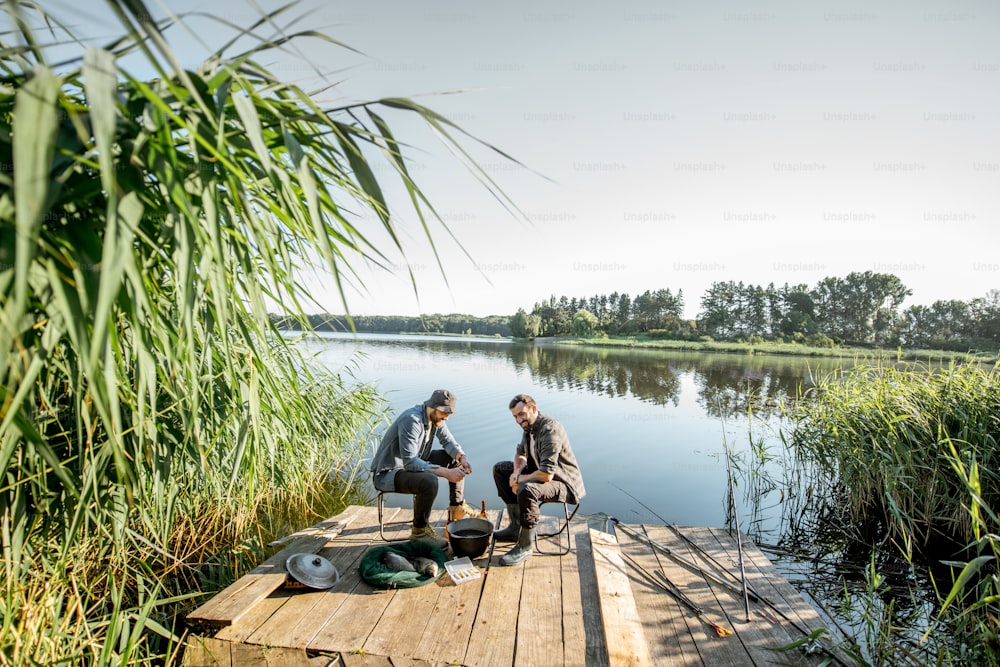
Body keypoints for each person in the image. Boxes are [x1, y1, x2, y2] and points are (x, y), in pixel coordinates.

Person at [370, 389, 476, 548]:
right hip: (389, 473)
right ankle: (419, 532)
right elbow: (410, 462)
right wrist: (446, 473)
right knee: (429, 480)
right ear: (432, 407)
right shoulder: (412, 420)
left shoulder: (436, 419)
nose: (446, 416)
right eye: (444, 412)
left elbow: (448, 442)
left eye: (449, 413)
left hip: (413, 463)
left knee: (453, 460)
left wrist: (462, 457)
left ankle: (457, 506)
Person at [492, 394, 586, 565]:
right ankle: (515, 528)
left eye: (521, 414)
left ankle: (525, 545)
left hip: (564, 483)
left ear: (533, 409)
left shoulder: (550, 430)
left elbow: (547, 474)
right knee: (500, 469)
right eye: (515, 416)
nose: (518, 420)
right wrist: (516, 473)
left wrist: (520, 479)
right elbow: (520, 454)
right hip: (539, 474)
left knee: (527, 488)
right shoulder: (529, 428)